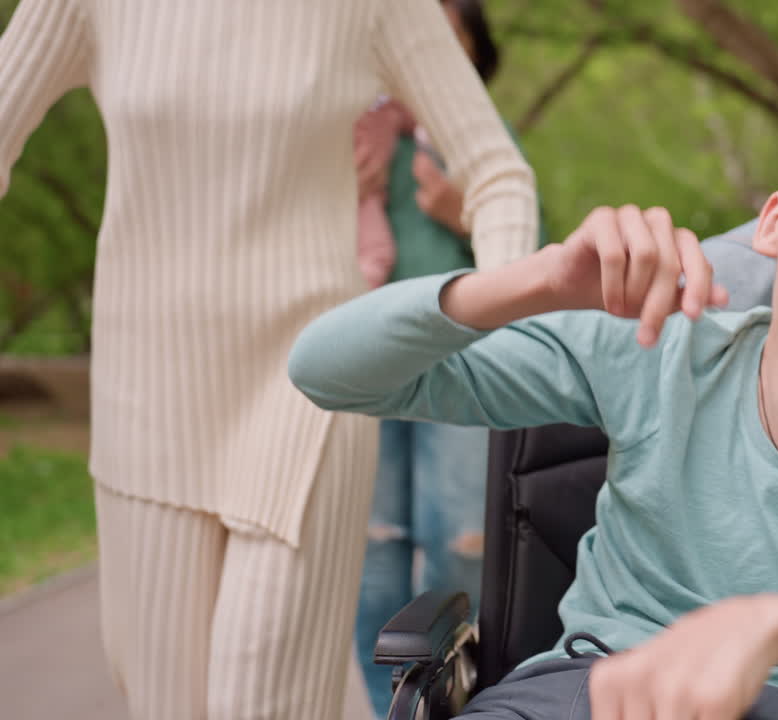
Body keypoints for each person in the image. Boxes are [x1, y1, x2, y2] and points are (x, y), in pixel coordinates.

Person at [289, 88, 778, 720]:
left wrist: (774, 627)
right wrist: (538, 281)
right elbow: (326, 370)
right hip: (578, 693)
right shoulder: (654, 346)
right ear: (775, 223)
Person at [0, 0, 538, 717]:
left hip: (312, 388)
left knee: (263, 698)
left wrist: (485, 335)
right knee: (166, 702)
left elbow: (499, 176)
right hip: (144, 398)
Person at [348, 2, 542, 716]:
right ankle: (386, 708)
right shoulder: (351, 135)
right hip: (365, 363)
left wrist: (465, 215)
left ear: (469, 50)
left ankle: (473, 698)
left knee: (464, 541)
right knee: (372, 553)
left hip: (464, 364)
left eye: (445, 30)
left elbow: (537, 253)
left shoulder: (487, 142)